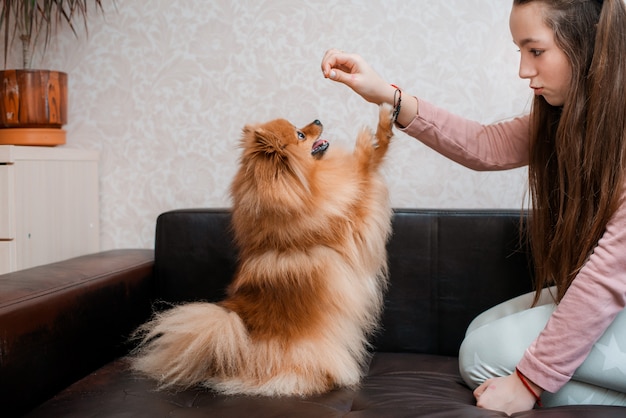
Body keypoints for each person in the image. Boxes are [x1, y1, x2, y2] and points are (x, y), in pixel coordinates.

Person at [321, 0, 626, 415]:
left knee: (483, 355)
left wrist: (529, 382)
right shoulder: (570, 117)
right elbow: (483, 145)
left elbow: (609, 273)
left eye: (535, 51)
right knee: (480, 332)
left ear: (590, 46)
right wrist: (388, 95)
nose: (523, 70)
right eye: (520, 51)